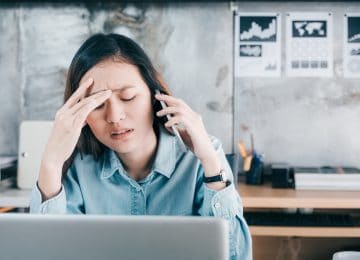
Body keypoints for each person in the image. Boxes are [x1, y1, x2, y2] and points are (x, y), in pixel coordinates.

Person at [30, 33, 252, 259]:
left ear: (155, 96)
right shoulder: (79, 168)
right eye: (96, 105)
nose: (115, 117)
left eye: (128, 97)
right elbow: (45, 253)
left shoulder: (201, 157)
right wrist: (51, 162)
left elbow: (236, 255)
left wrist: (211, 165)